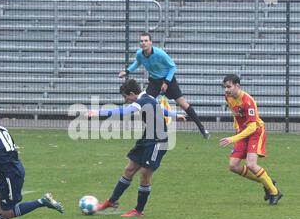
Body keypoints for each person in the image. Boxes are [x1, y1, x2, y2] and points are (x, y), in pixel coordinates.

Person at [88, 79, 185, 216]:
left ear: (132, 93)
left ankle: (138, 210)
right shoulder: (148, 98)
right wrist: (175, 115)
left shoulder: (141, 101)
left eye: (125, 96)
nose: (126, 99)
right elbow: (159, 108)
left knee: (145, 174)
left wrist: (99, 113)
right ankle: (111, 201)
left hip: (158, 141)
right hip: (147, 138)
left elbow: (125, 112)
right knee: (129, 169)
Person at [119, 32, 210, 139]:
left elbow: (172, 67)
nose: (143, 43)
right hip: (154, 81)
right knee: (145, 103)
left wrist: (166, 82)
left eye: (146, 41)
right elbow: (137, 63)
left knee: (183, 104)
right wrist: (127, 71)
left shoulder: (159, 53)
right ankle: (151, 131)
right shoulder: (139, 54)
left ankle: (202, 128)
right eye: (141, 41)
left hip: (168, 80)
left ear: (150, 42)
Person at [219, 74, 282, 205]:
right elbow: (236, 115)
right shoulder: (228, 97)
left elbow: (252, 127)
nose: (226, 90)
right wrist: (236, 128)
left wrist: (233, 138)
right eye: (225, 87)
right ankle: (267, 181)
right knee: (233, 166)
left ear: (237, 86)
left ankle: (275, 192)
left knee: (251, 164)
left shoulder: (248, 101)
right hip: (242, 132)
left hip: (255, 132)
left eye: (229, 87)